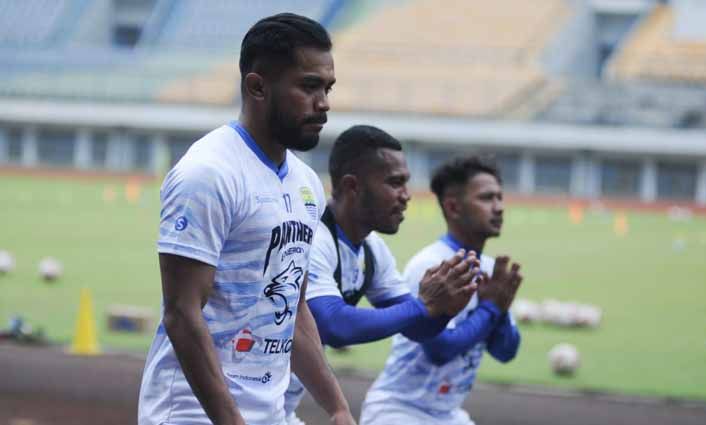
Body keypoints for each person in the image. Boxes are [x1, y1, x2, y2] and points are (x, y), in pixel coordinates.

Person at [138, 13, 355, 425]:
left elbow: (294, 306)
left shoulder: (306, 184)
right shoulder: (209, 173)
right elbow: (182, 314)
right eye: (309, 86)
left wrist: (337, 406)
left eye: (327, 88)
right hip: (192, 413)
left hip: (268, 411)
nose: (323, 103)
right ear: (257, 86)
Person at [284, 125, 480, 424]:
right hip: (234, 396)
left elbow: (417, 328)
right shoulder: (313, 237)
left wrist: (441, 310)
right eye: (395, 183)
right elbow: (334, 325)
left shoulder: (373, 250)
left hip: (278, 405)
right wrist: (424, 306)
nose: (406, 195)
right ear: (353, 186)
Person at [360, 155, 523, 425]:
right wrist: (491, 307)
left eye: (499, 197)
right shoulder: (431, 266)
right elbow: (440, 350)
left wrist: (500, 311)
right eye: (486, 198)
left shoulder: (492, 269)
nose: (499, 207)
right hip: (399, 411)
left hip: (448, 415)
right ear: (453, 207)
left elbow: (506, 352)